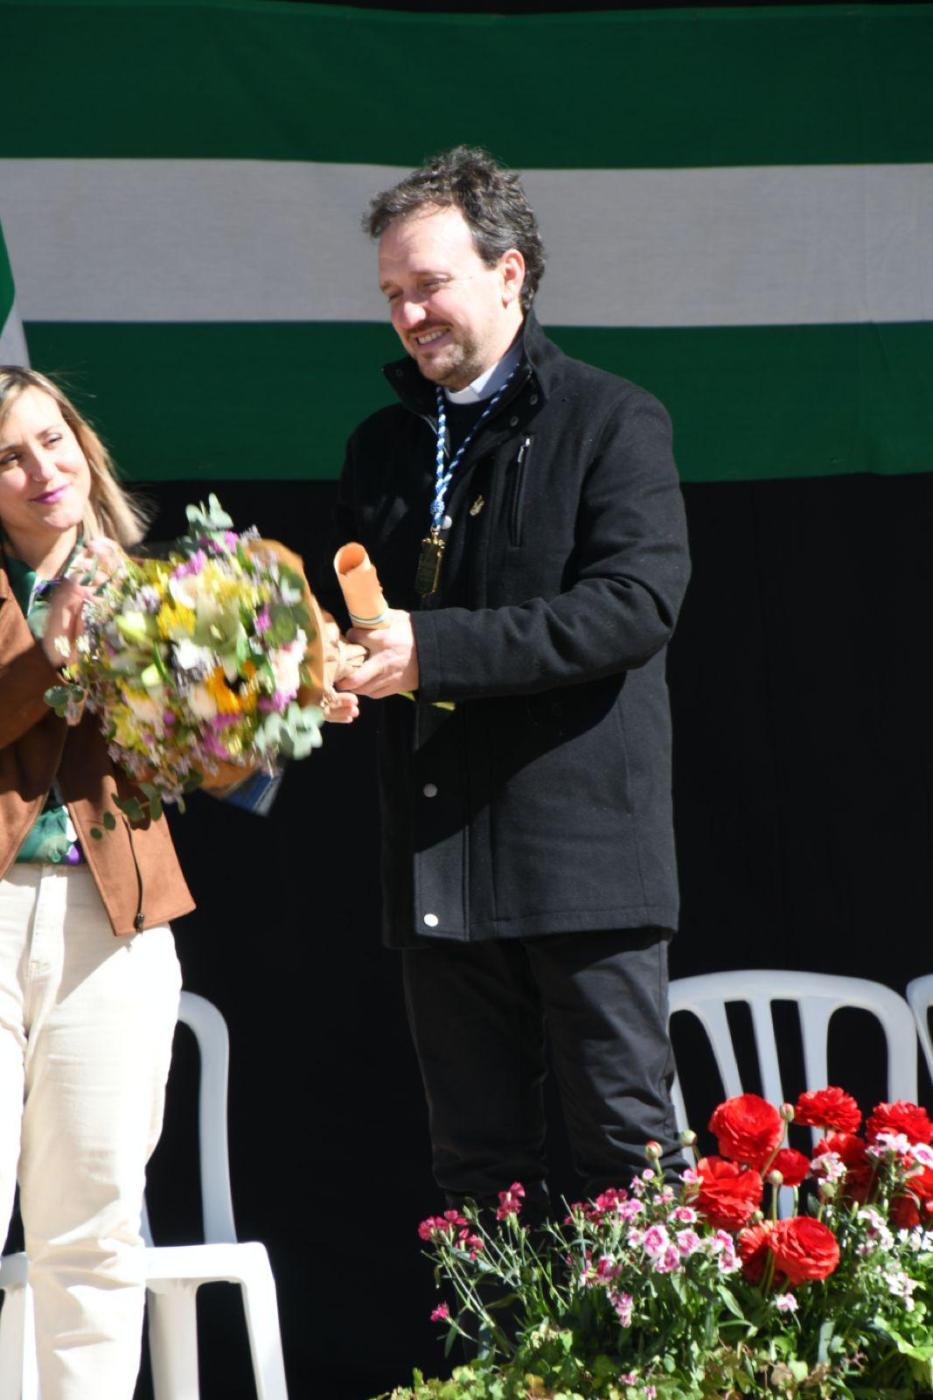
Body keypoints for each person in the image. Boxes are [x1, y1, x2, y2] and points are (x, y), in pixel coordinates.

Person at [333, 147, 691, 1213]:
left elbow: (634, 605)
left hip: (584, 864)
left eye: (430, 283)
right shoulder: (381, 445)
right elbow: (360, 616)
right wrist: (328, 667)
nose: (410, 312)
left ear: (510, 272)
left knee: (626, 1158)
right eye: (393, 293)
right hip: (437, 859)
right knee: (477, 1176)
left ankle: (648, 1386)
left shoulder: (613, 419)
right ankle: (496, 1379)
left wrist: (429, 652)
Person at [0, 366, 193, 1398]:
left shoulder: (155, 586)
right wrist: (50, 652)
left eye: (54, 440)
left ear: (86, 448)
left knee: (94, 1228)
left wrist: (277, 702)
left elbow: (199, 762)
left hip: (109, 927)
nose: (42, 469)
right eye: (9, 455)